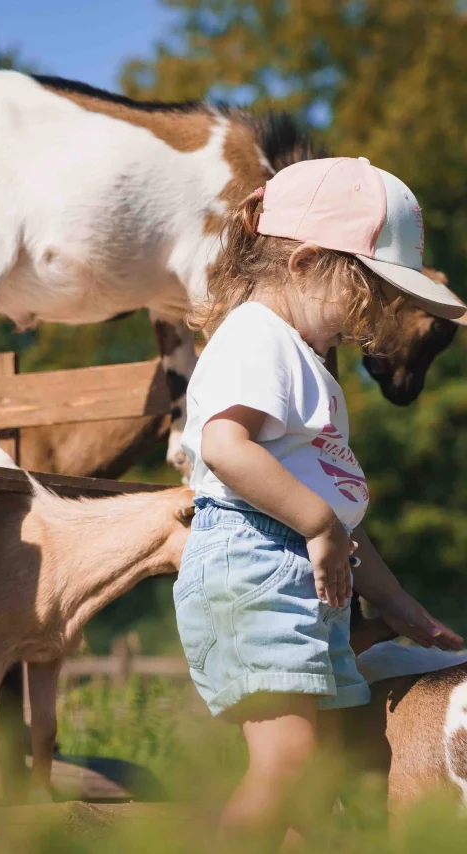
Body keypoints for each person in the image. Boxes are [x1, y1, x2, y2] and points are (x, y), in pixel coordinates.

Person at [175, 157, 464, 845]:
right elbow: (223, 446)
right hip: (256, 568)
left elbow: (340, 522)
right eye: (362, 299)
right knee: (287, 765)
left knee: (315, 779)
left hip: (297, 575)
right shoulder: (256, 337)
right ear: (306, 263)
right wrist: (317, 524)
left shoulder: (301, 357)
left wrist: (400, 607)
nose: (365, 327)